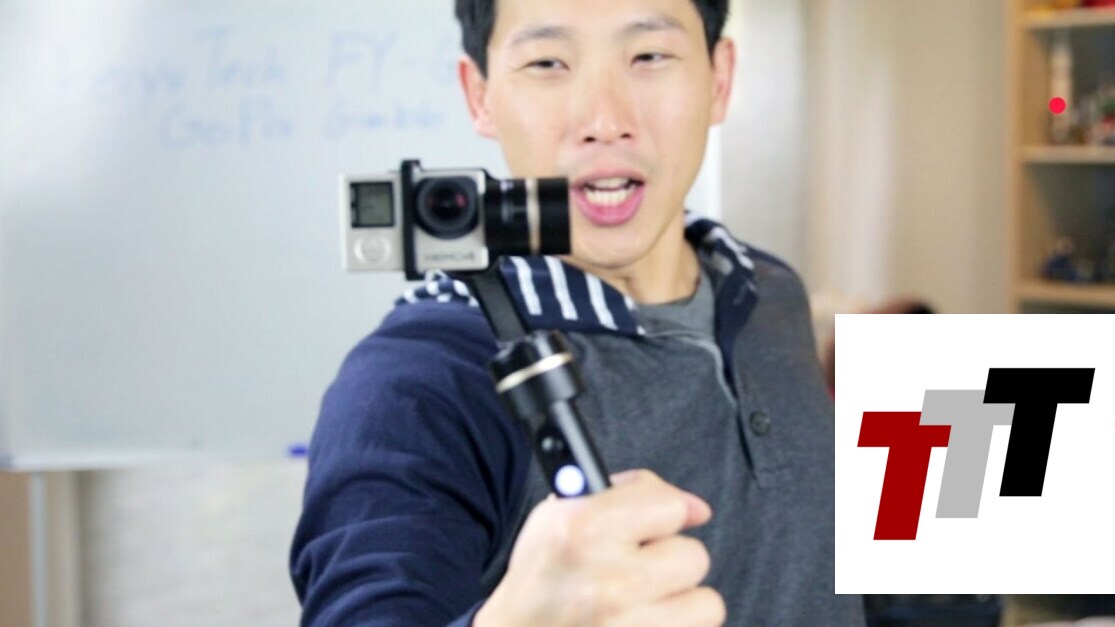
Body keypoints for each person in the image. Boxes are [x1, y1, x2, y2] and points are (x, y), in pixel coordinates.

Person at [290, 0, 864, 624]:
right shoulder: (419, 382)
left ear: (719, 80)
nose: (605, 121)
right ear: (480, 96)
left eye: (649, 55)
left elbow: (902, 589)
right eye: (547, 63)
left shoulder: (770, 290)